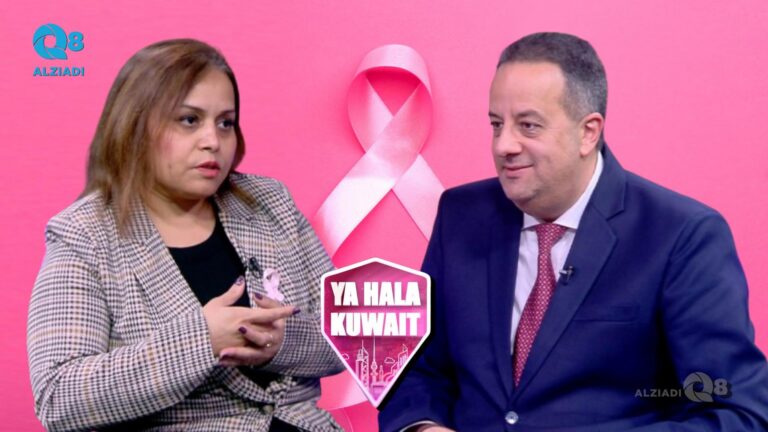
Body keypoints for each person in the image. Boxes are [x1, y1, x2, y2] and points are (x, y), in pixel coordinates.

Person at [379, 32, 768, 431]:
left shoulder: (681, 235)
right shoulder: (461, 215)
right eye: (496, 124)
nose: (503, 145)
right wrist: (422, 427)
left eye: (528, 126)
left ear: (588, 132)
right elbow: (418, 367)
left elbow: (737, 413)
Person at [27, 39, 344, 432]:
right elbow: (59, 398)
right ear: (134, 127)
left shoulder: (270, 203)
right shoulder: (84, 235)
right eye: (189, 120)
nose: (213, 140)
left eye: (225, 123)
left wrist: (281, 344)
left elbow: (351, 336)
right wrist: (201, 341)